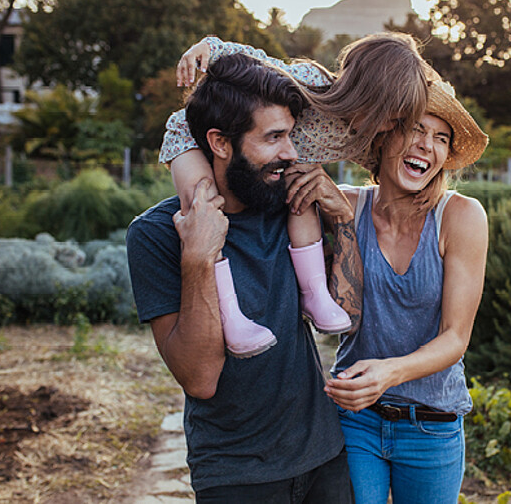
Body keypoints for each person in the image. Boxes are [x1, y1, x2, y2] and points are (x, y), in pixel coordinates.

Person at [126, 53, 362, 503]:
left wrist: (343, 221)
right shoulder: (155, 236)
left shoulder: (288, 205)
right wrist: (198, 256)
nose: (290, 152)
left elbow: (351, 311)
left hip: (325, 456)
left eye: (289, 135)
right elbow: (200, 379)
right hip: (235, 475)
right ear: (219, 143)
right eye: (273, 137)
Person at [163, 32, 432, 355]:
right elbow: (257, 60)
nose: (389, 126)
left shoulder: (361, 134)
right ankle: (230, 314)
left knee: (303, 194)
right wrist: (209, 48)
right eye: (389, 116)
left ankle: (315, 292)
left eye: (398, 120)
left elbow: (389, 166)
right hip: (191, 136)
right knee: (201, 204)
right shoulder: (312, 82)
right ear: (366, 95)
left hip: (277, 161)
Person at [285, 80, 490, 504]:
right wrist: (216, 52)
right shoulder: (346, 205)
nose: (426, 146)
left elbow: (455, 337)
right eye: (415, 128)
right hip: (356, 417)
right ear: (383, 136)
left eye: (441, 138)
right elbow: (291, 136)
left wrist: (389, 373)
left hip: (431, 425)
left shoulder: (461, 217)